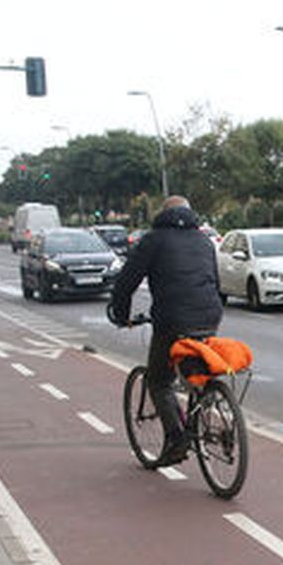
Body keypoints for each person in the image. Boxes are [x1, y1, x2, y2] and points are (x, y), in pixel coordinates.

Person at [108, 196, 224, 466]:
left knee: (158, 381)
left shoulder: (154, 240)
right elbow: (214, 282)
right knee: (200, 367)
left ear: (164, 213)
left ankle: (177, 438)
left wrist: (121, 315)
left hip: (172, 320)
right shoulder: (204, 241)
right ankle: (205, 402)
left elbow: (127, 282)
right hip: (209, 315)